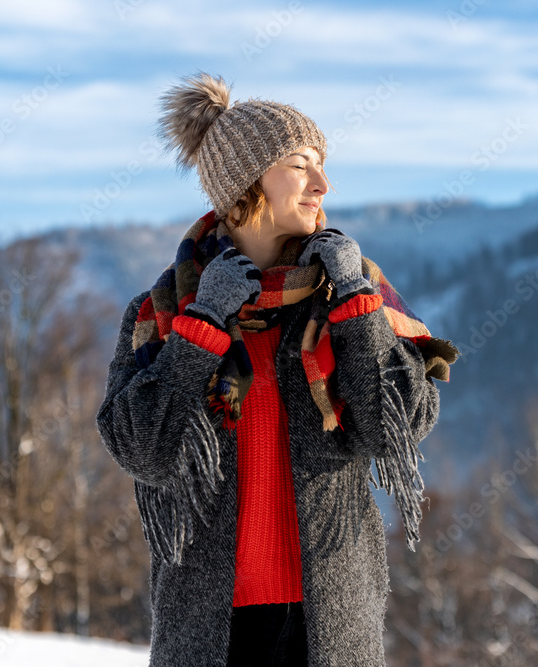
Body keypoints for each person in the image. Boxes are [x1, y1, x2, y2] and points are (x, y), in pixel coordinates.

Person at [95, 72, 459, 666]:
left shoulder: (347, 297)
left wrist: (355, 305)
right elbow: (143, 447)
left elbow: (399, 424)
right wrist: (204, 324)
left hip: (330, 628)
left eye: (322, 164)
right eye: (301, 164)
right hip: (208, 631)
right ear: (246, 182)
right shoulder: (164, 313)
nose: (323, 182)